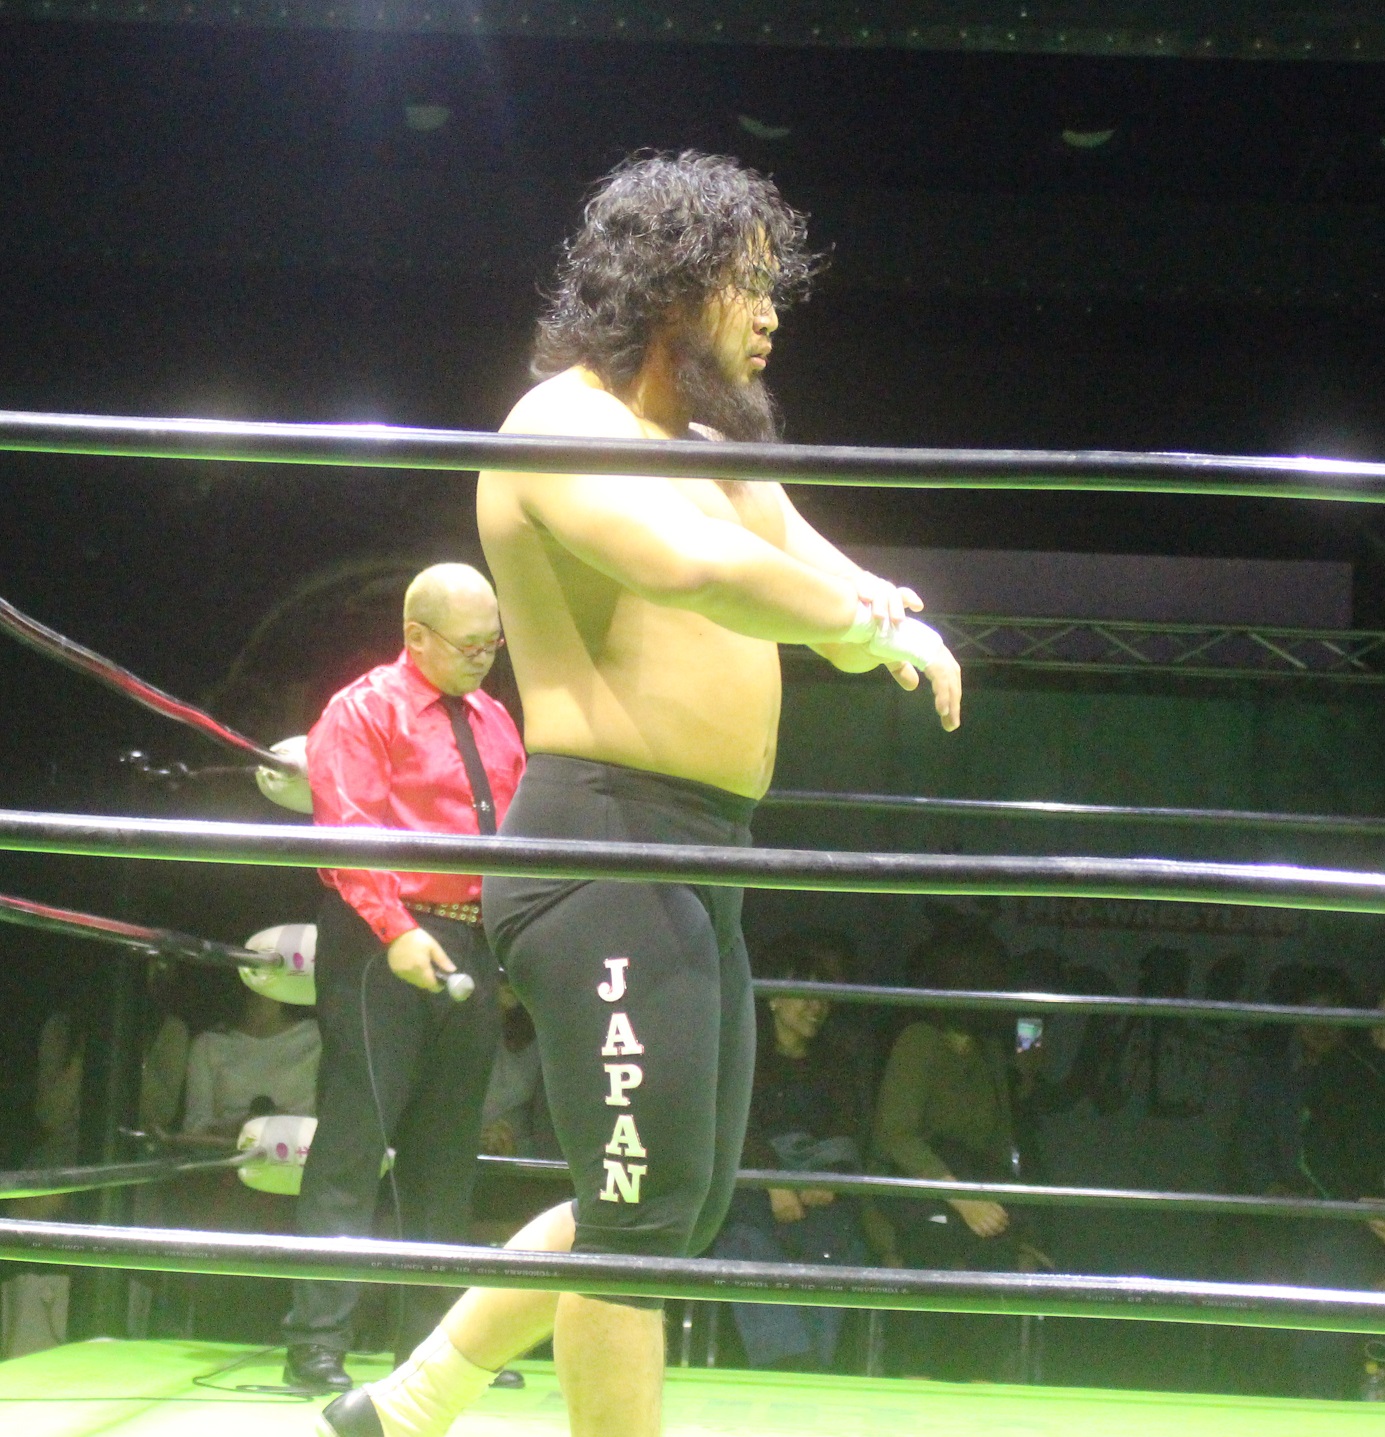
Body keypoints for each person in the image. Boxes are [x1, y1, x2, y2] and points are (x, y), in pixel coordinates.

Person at [318, 149, 960, 1437]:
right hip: (603, 841)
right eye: (748, 285)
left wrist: (884, 614)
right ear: (672, 285)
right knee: (642, 1217)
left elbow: (797, 553)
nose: (769, 315)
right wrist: (856, 627)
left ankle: (410, 1399)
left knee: (675, 1202)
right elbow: (683, 566)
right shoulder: (561, 427)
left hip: (702, 853)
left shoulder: (714, 443)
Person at [282, 563, 525, 1394]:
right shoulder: (362, 709)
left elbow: (516, 836)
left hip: (472, 937)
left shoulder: (494, 717)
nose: (484, 657)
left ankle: (431, 1353)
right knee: (355, 1139)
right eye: (469, 644)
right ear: (415, 635)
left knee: (445, 1152)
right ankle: (316, 1342)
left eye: (494, 643)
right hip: (378, 936)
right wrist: (395, 929)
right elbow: (349, 832)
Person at [867, 917, 1049, 1380]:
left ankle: (980, 1391)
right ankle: (916, 1385)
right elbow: (896, 1137)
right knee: (935, 1248)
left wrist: (1016, 1222)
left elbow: (1001, 1146)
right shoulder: (919, 1040)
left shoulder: (990, 1052)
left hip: (975, 1192)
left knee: (994, 1254)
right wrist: (961, 1198)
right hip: (915, 1192)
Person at [710, 930, 872, 1371]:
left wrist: (827, 1176)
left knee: (842, 1244)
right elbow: (734, 1127)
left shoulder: (838, 1062)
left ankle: (813, 1370)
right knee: (743, 1241)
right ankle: (787, 1362)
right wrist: (774, 1183)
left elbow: (847, 1129)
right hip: (754, 1187)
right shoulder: (743, 1055)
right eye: (805, 994)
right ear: (773, 999)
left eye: (823, 997)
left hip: (819, 1191)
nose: (817, 1007)